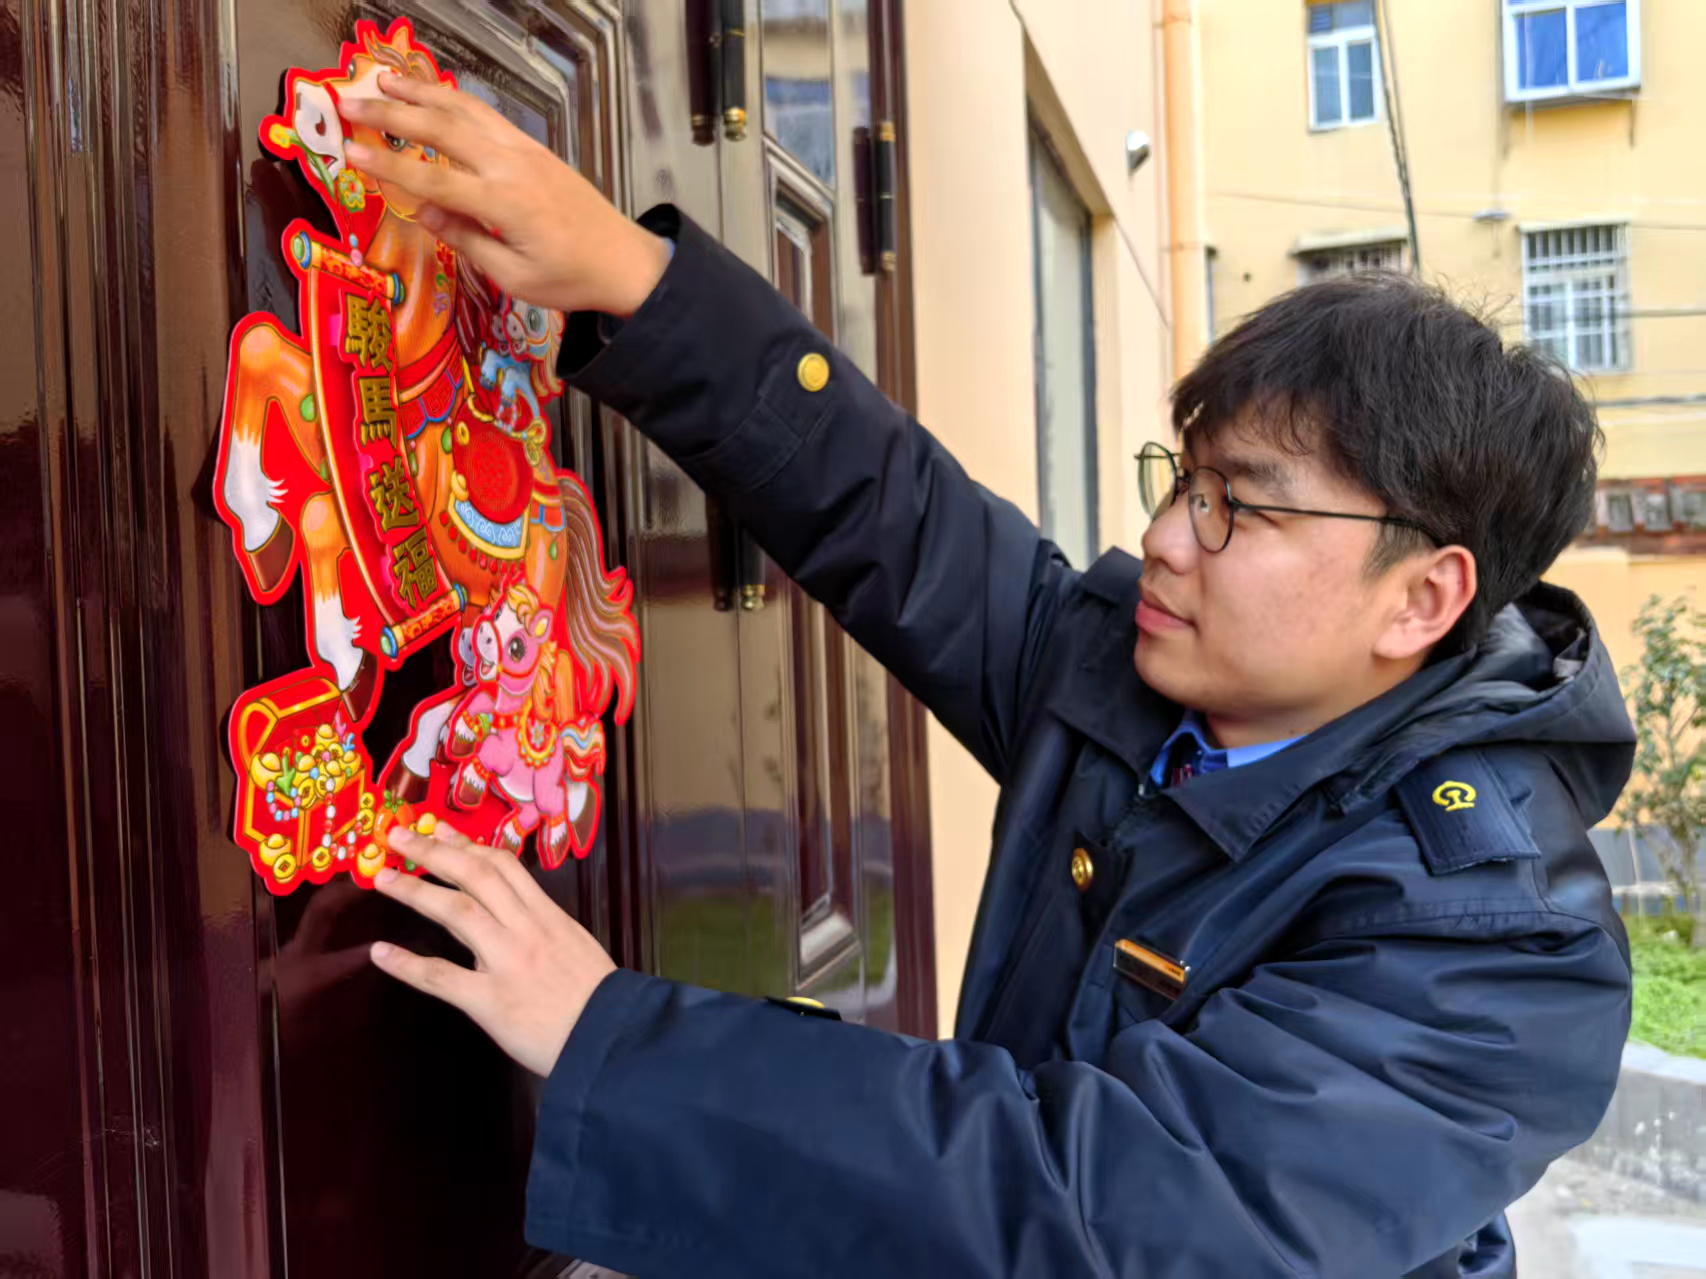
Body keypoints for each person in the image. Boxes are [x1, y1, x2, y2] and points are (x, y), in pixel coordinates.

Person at [337, 73, 1634, 1279]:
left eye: (1240, 509)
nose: (1167, 540)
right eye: (1180, 482)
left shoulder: (1494, 941)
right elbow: (900, 523)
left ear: (1420, 599)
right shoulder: (1160, 688)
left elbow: (1106, 1208)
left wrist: (613, 1045)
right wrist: (628, 275)